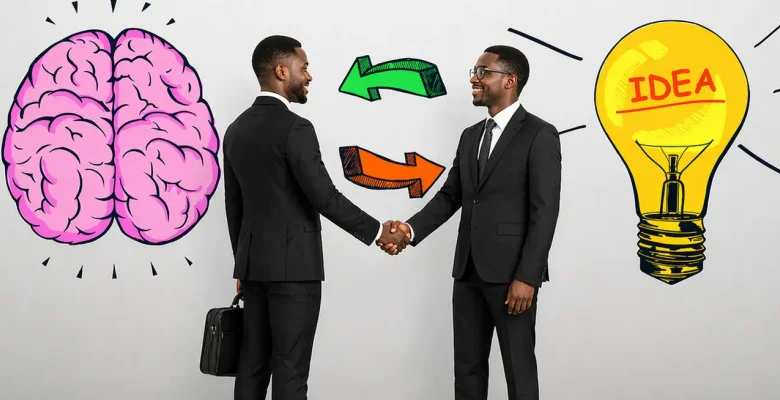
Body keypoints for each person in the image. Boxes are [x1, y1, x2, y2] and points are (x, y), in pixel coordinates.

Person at [222, 35, 410, 400]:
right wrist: (378, 231)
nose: (309, 76)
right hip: (296, 274)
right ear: (281, 71)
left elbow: (235, 206)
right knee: (291, 372)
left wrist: (240, 266)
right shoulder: (296, 128)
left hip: (253, 269)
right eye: (303, 67)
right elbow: (324, 196)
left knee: (252, 366)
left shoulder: (235, 130)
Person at [382, 45, 561, 399]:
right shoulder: (470, 135)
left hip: (512, 277)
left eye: (482, 72)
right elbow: (451, 196)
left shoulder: (539, 134)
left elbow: (545, 211)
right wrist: (409, 230)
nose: (473, 79)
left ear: (509, 80)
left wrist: (528, 276)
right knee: (467, 371)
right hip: (467, 273)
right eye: (474, 71)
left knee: (519, 369)